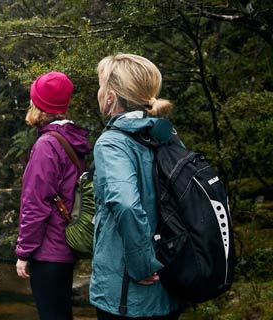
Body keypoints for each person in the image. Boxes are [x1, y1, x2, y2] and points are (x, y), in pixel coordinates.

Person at [89, 53, 182, 319]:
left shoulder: (112, 143)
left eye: (101, 86)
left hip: (128, 295)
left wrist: (142, 265)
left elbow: (126, 204)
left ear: (111, 97)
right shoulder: (166, 135)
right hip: (170, 282)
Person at [15, 71, 92, 320]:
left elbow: (35, 204)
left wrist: (24, 252)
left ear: (38, 105)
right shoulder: (71, 138)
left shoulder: (46, 145)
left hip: (48, 250)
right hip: (66, 245)